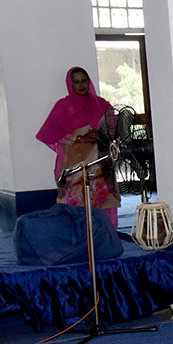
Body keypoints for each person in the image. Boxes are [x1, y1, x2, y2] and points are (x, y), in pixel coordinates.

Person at [36, 66, 119, 228]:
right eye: (76, 82)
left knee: (103, 200)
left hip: (100, 162)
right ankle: (77, 239)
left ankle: (106, 237)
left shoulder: (102, 105)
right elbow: (48, 134)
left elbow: (114, 129)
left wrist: (100, 135)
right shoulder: (63, 106)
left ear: (89, 82)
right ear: (70, 84)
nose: (81, 85)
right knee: (75, 202)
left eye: (84, 81)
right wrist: (78, 137)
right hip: (74, 165)